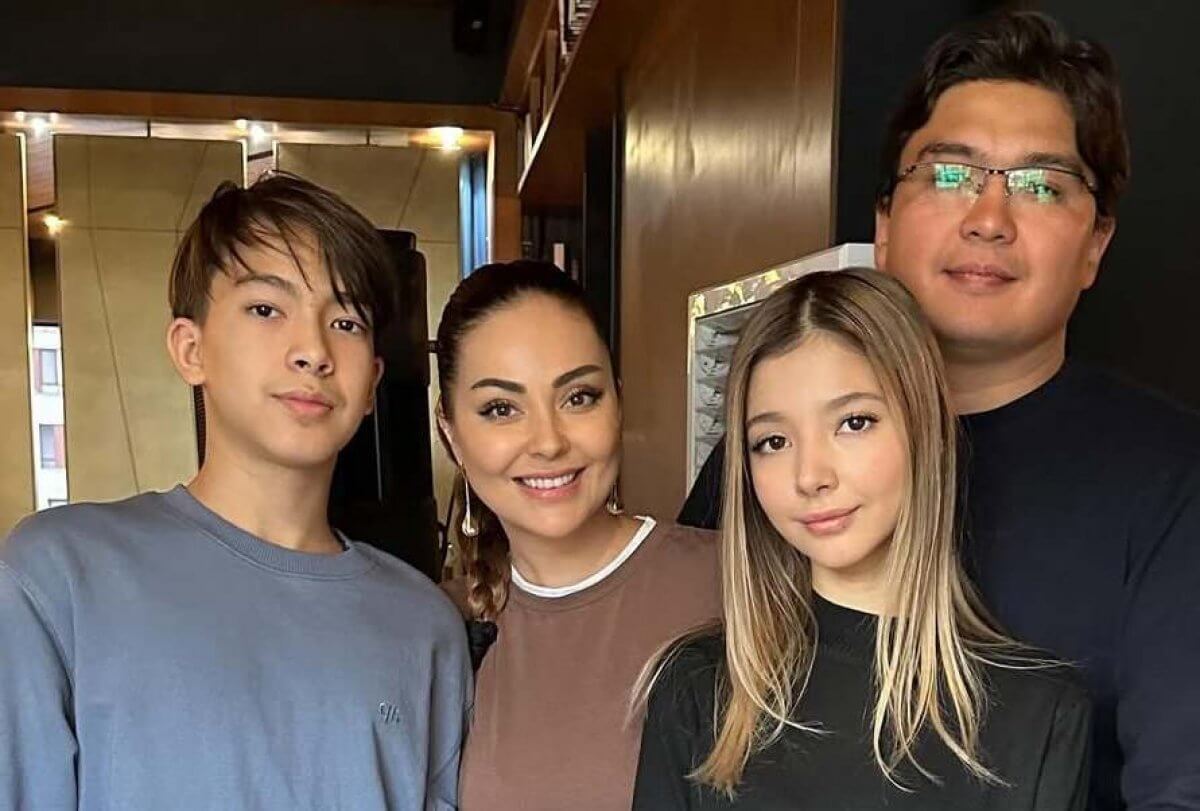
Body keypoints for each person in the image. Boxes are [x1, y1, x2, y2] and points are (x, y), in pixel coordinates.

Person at [679, 12, 1200, 809]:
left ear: (1095, 244)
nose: (989, 218)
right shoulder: (768, 464)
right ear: (884, 224)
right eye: (951, 174)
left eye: (1040, 185)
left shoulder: (1172, 482)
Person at [0, 173, 471, 810]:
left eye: (345, 322)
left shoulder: (423, 625)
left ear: (371, 384)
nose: (313, 351)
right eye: (266, 309)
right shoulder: (61, 574)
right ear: (190, 348)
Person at [636, 269, 1090, 809]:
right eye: (773, 441)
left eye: (853, 422)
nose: (811, 475)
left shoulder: (1040, 714)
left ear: (924, 428)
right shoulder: (699, 689)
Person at [434, 260, 720, 811]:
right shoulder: (437, 628)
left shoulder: (733, 583)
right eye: (501, 409)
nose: (548, 442)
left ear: (618, 401)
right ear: (451, 432)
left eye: (579, 397)